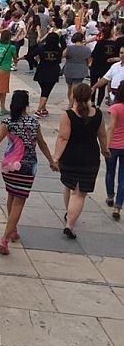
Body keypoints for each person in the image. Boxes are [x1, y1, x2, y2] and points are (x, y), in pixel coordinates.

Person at [0, 91, 57, 255]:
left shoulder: (8, 122)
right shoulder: (34, 123)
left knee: (12, 195)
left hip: (9, 165)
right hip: (27, 166)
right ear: (26, 104)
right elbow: (43, 144)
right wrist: (51, 161)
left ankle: (13, 229)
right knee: (19, 201)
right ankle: (5, 238)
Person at [53, 83, 108, 239]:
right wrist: (105, 150)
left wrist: (56, 157)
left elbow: (63, 137)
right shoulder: (97, 114)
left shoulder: (68, 114)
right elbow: (102, 135)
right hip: (89, 157)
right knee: (80, 193)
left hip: (70, 156)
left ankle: (69, 215)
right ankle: (70, 223)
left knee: (69, 185)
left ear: (74, 96)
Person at [29, 32, 62, 118]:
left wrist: (35, 63)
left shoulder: (41, 48)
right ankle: (38, 110)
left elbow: (30, 55)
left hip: (42, 70)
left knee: (44, 90)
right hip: (53, 71)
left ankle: (43, 109)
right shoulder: (59, 49)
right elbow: (59, 60)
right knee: (46, 92)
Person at [105, 88, 124, 220]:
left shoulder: (115, 108)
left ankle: (110, 196)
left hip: (113, 145)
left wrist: (106, 144)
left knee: (110, 172)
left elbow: (111, 127)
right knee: (123, 177)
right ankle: (118, 206)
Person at [62, 32, 91, 109]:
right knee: (75, 89)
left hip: (69, 69)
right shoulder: (87, 49)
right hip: (80, 70)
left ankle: (70, 103)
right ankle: (71, 105)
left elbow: (62, 55)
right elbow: (89, 61)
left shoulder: (69, 48)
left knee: (69, 87)